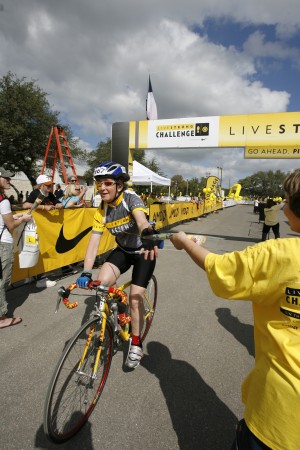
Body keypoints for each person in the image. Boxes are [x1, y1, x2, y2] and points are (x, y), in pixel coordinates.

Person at [169, 168, 300, 450]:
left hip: (279, 416)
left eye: (287, 200)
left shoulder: (280, 254)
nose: (284, 205)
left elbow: (219, 268)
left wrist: (184, 242)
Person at [76, 161, 159, 369]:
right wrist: (86, 271)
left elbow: (141, 220)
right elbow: (93, 242)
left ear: (119, 185)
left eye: (108, 183)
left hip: (142, 252)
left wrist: (147, 233)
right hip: (122, 251)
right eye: (99, 184)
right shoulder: (102, 209)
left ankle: (136, 343)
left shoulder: (131, 199)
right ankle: (120, 308)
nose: (102, 188)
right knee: (102, 284)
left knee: (135, 298)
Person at [0, 167, 32, 329]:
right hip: (2, 244)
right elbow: (10, 225)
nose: (8, 180)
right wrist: (24, 218)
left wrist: (15, 216)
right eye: (5, 178)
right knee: (2, 280)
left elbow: (4, 219)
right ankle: (1, 317)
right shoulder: (3, 200)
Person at [23, 174, 63, 287]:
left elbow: (57, 202)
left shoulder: (50, 194)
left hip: (47, 229)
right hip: (36, 227)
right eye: (47, 185)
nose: (50, 187)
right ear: (41, 185)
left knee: (42, 250)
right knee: (37, 250)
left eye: (51, 185)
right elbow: (25, 204)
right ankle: (39, 279)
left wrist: (59, 204)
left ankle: (32, 276)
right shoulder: (35, 193)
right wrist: (43, 207)